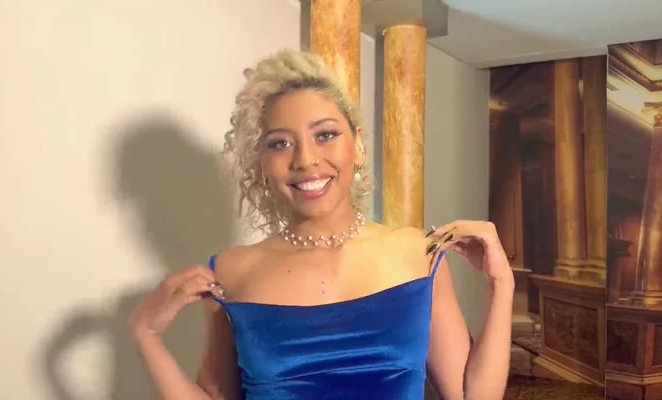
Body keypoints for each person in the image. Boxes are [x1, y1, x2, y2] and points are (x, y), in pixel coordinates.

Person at [129, 49, 513, 400]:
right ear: (262, 165)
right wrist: (146, 334)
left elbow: (473, 396)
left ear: (357, 146)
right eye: (280, 143)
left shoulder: (417, 254)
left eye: (325, 135)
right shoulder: (231, 273)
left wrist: (502, 284)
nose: (305, 159)